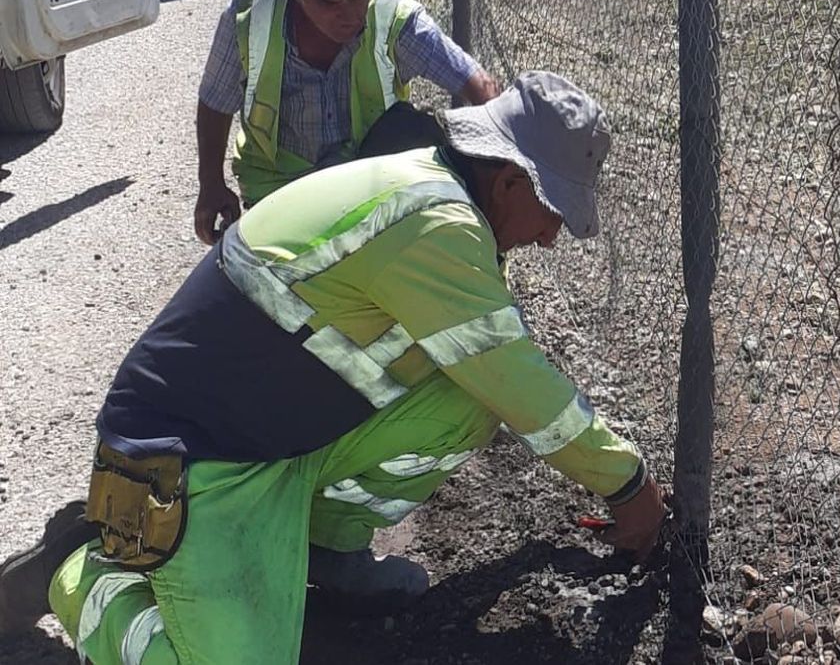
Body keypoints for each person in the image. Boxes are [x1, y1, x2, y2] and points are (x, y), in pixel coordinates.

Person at [0, 72, 667, 662]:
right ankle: (80, 572)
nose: (549, 237)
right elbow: (524, 384)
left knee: (467, 399)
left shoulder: (432, 191)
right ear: (511, 181)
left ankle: (323, 546)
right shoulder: (436, 225)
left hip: (275, 435)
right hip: (189, 460)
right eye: (552, 213)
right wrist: (628, 485)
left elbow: (497, 373)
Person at [194, 0, 500, 243]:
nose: (350, 15)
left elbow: (478, 85)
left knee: (424, 135)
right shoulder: (251, 15)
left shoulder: (395, 20)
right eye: (329, 3)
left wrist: (494, 184)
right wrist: (211, 183)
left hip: (371, 185)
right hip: (280, 188)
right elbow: (216, 101)